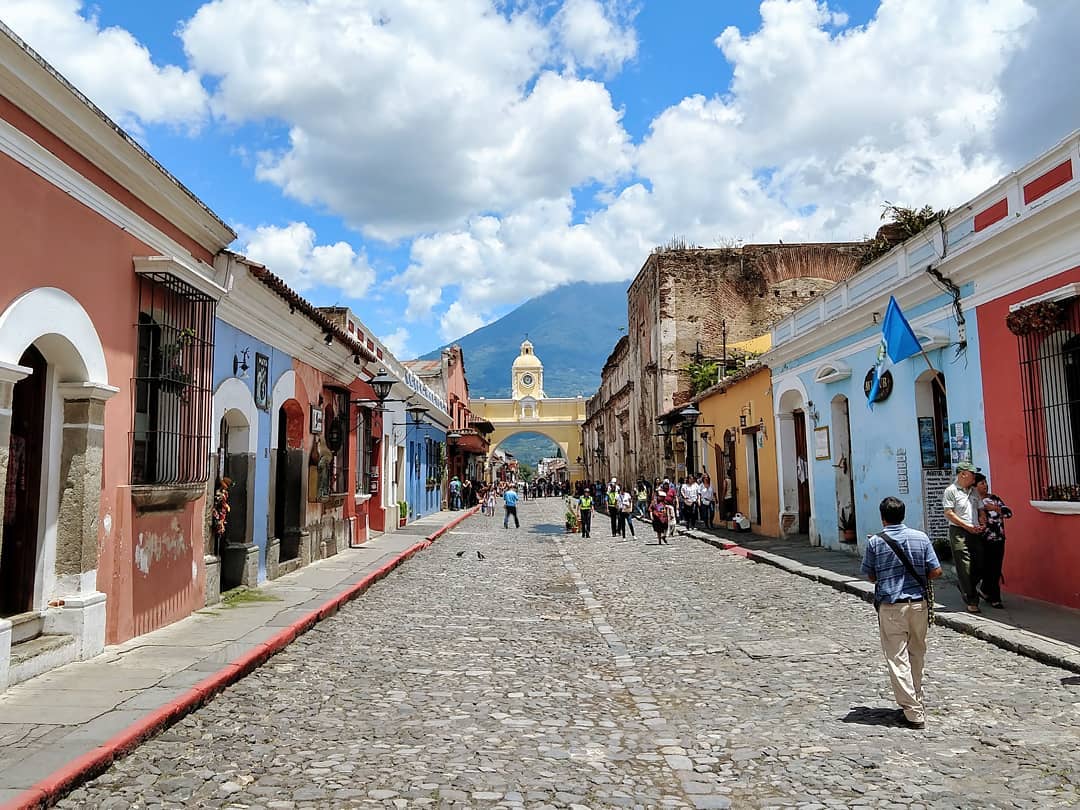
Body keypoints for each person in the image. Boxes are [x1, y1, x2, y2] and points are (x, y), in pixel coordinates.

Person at [860, 496, 943, 730]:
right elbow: (936, 571)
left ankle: (913, 711)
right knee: (917, 654)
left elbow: (871, 575)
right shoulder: (921, 537)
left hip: (892, 606)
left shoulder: (875, 542)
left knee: (897, 659)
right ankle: (916, 699)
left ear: (882, 517)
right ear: (903, 514)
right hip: (918, 605)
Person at [942, 461, 986, 613]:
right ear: (963, 474)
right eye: (973, 474)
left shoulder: (973, 491)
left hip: (975, 531)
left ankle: (965, 585)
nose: (975, 477)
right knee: (965, 565)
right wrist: (966, 526)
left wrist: (982, 520)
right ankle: (971, 599)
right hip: (959, 531)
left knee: (980, 564)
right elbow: (949, 513)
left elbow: (981, 509)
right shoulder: (951, 491)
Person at [974, 473, 1011, 609]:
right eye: (981, 483)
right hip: (982, 540)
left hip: (998, 539)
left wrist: (994, 508)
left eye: (985, 482)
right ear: (975, 486)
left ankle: (995, 598)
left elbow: (1008, 513)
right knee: (984, 568)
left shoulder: (994, 499)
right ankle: (983, 590)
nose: (985, 485)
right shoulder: (973, 501)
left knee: (995, 569)